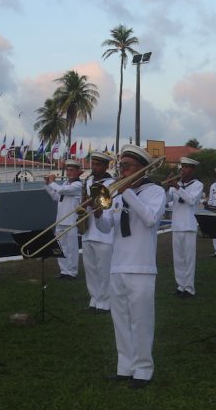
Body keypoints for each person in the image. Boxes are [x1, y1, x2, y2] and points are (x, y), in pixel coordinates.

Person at [93, 145, 166, 388]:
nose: (122, 170)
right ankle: (125, 366)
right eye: (121, 166)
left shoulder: (155, 191)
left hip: (141, 266)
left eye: (127, 166)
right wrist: (97, 214)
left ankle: (143, 369)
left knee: (141, 321)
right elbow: (107, 227)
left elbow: (150, 219)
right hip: (118, 265)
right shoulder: (117, 193)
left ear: (142, 169)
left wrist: (128, 194)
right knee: (121, 321)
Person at [82, 151, 115, 313]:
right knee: (90, 270)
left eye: (98, 165)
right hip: (88, 231)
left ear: (106, 166)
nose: (94, 167)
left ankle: (105, 302)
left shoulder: (112, 183)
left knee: (104, 271)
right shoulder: (88, 182)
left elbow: (108, 206)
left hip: (104, 234)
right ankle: (94, 299)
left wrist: (92, 202)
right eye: (93, 164)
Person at [166, 156, 203, 297]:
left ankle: (189, 288)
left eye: (187, 167)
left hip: (189, 225)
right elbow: (167, 200)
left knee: (189, 259)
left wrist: (177, 187)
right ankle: (180, 286)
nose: (183, 169)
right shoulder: (177, 184)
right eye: (183, 167)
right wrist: (167, 187)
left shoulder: (198, 185)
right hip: (176, 225)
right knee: (178, 259)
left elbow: (191, 200)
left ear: (193, 170)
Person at [46, 160, 84, 280]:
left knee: (72, 248)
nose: (69, 173)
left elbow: (62, 190)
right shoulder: (65, 184)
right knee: (61, 247)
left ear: (78, 172)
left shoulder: (78, 185)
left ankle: (72, 272)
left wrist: (52, 182)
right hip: (60, 220)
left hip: (72, 221)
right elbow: (56, 196)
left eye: (72, 170)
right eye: (67, 170)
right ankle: (63, 270)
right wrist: (47, 185)